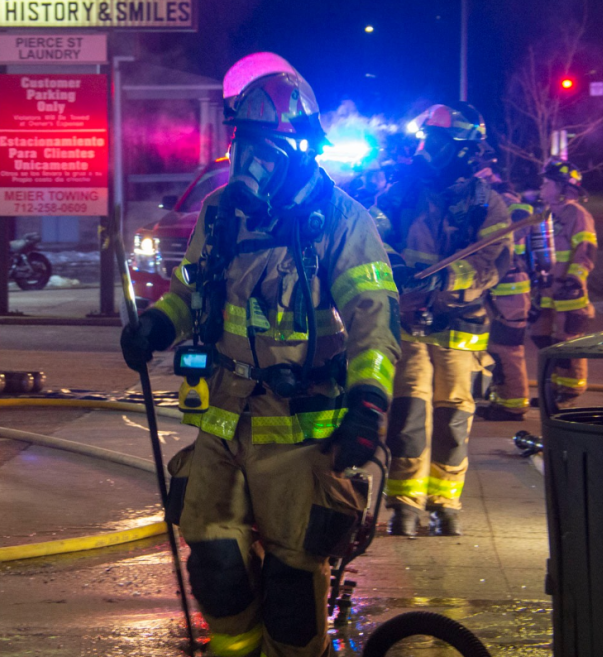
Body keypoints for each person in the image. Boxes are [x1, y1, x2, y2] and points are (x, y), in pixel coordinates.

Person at [121, 52, 400, 657]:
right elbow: (190, 290)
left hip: (301, 432)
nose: (250, 158)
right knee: (215, 566)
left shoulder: (343, 223)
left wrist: (369, 404)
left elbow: (374, 321)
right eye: (244, 141)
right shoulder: (221, 214)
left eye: (264, 144)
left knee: (291, 587)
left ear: (300, 146)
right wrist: (155, 328)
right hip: (223, 420)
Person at [375, 103, 511, 537]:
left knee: (453, 417)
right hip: (409, 321)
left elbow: (493, 263)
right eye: (425, 140)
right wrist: (395, 268)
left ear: (464, 151)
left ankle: (445, 502)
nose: (424, 150)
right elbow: (374, 233)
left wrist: (450, 280)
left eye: (435, 143)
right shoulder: (400, 192)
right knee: (408, 412)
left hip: (460, 325)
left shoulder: (488, 205)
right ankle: (404, 504)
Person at [529, 159, 597, 405]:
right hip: (547, 291)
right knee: (542, 338)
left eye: (547, 183)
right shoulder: (546, 214)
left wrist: (574, 279)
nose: (542, 187)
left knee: (567, 344)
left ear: (561, 187)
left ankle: (569, 392)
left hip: (569, 292)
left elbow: (586, 250)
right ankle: (553, 389)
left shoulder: (577, 214)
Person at [475, 165, 534, 421]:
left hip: (511, 286)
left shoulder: (506, 199)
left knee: (508, 345)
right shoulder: (486, 198)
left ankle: (514, 405)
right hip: (498, 286)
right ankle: (502, 398)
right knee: (497, 346)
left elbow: (521, 224)